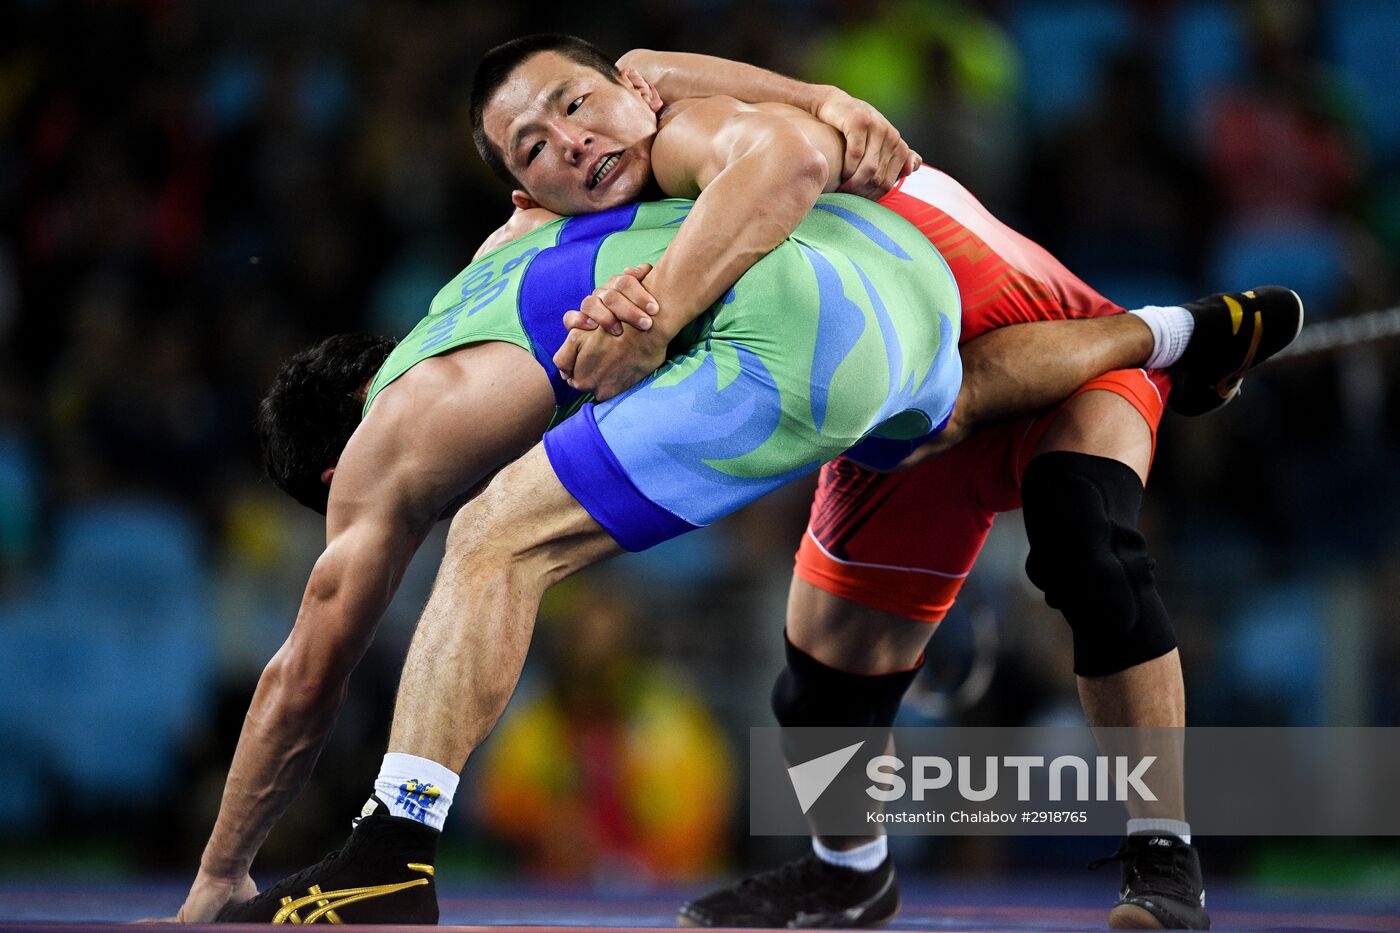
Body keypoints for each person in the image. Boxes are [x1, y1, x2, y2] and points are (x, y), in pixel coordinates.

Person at [179, 38, 1299, 930]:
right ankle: (846, 874)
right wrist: (798, 102)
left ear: (621, 93)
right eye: (530, 147)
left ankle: (1164, 856)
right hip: (898, 363)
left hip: (1033, 326)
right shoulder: (596, 178)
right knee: (822, 676)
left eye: (573, 109)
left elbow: (751, 133)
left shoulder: (671, 122)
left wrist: (668, 290)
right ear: (518, 194)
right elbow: (698, 111)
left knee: (1083, 547)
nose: (567, 144)